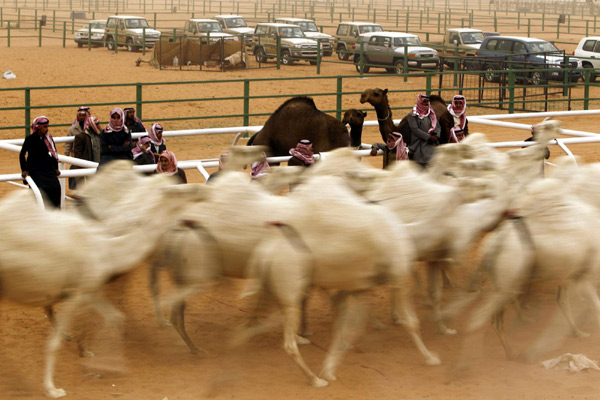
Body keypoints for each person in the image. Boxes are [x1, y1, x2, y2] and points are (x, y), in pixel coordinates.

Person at [19, 116, 61, 208]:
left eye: (47, 127)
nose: (47, 129)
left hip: (48, 171)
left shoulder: (48, 139)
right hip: (35, 171)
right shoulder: (30, 139)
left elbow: (54, 153)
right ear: (38, 127)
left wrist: (56, 168)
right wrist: (24, 170)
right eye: (44, 127)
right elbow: (22, 155)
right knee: (39, 194)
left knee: (56, 189)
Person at [406, 94, 440, 168]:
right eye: (424, 102)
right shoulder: (413, 115)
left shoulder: (431, 113)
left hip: (433, 142)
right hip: (419, 142)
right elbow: (415, 129)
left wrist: (436, 136)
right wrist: (428, 137)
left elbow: (437, 126)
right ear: (419, 102)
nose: (426, 103)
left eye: (428, 101)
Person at [72, 115, 102, 187]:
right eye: (96, 124)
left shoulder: (100, 135)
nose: (98, 126)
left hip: (100, 166)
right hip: (87, 167)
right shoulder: (81, 137)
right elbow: (77, 153)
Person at [65, 107, 89, 189]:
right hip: (77, 157)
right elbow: (68, 143)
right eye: (80, 115)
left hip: (89, 156)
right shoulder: (72, 129)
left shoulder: (91, 127)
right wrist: (66, 155)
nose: (82, 117)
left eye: (83, 115)